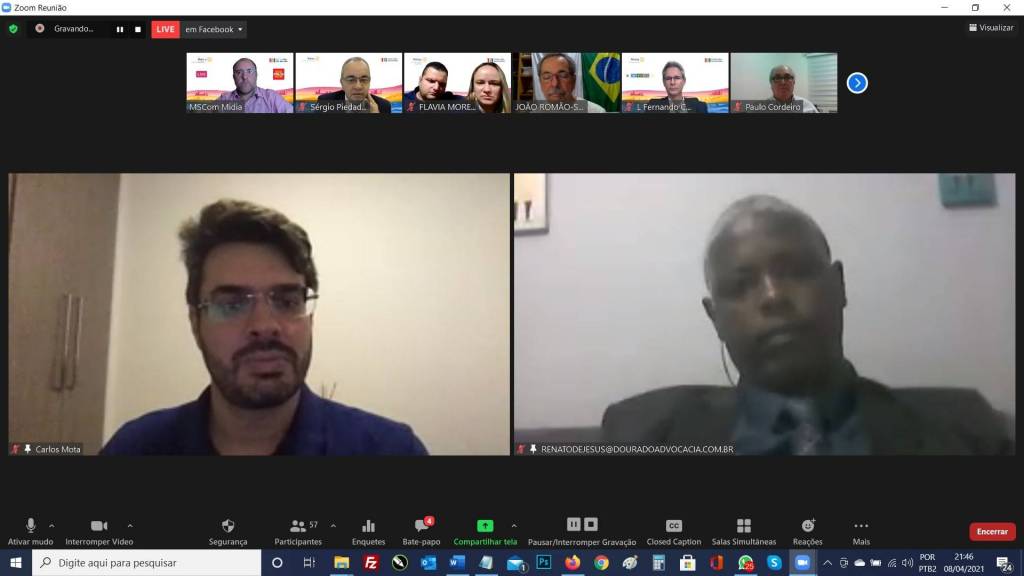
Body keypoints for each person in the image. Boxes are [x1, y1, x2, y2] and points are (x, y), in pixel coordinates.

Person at [601, 195, 1014, 455]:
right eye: (741, 286)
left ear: (839, 286)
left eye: (796, 271)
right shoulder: (643, 438)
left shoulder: (968, 433)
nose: (772, 297)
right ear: (715, 319)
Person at [101, 200, 428, 455]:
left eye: (286, 301)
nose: (265, 326)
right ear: (195, 323)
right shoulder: (134, 448)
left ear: (310, 318)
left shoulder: (391, 450)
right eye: (232, 304)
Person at [216, 58, 293, 113]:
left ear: (256, 75)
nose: (244, 77)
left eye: (249, 71)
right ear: (233, 77)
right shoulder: (223, 100)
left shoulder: (272, 98)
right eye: (239, 72)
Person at [317, 56, 392, 114]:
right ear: (342, 83)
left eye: (364, 80)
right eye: (351, 80)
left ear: (369, 82)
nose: (358, 86)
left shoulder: (383, 106)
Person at [536, 53, 605, 113]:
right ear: (540, 82)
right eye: (547, 77)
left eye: (563, 76)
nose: (555, 84)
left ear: (574, 80)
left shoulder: (596, 111)